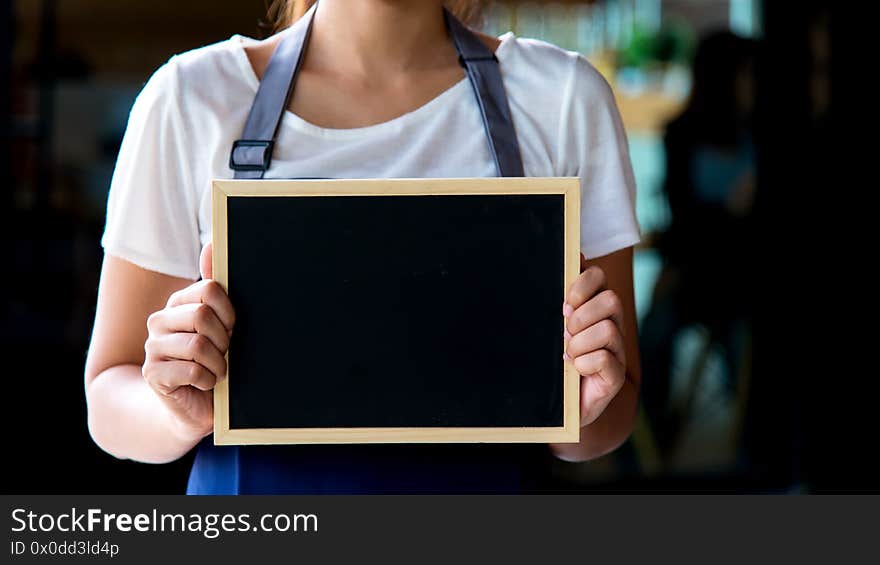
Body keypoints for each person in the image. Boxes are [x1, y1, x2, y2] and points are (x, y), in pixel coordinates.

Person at [84, 0, 642, 493]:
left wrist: (584, 409)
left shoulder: (564, 99)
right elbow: (109, 398)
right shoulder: (189, 97)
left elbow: (613, 416)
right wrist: (176, 410)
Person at [640, 31, 757, 456]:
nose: (753, 81)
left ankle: (756, 458)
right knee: (649, 339)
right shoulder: (682, 134)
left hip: (747, 279)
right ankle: (649, 448)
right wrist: (731, 211)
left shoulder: (761, 134)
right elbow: (683, 221)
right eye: (745, 72)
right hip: (694, 274)